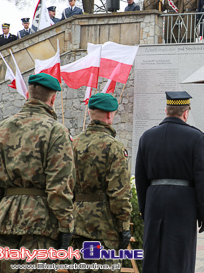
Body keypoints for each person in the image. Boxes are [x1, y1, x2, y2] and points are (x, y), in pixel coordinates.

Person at [0, 73, 75, 272]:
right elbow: (59, 185)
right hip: (42, 220)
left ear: (28, 94)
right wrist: (66, 225)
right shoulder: (56, 131)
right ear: (53, 99)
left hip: (6, 216)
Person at [136, 91, 204, 273]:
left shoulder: (147, 136)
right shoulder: (195, 137)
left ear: (166, 110)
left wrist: (144, 210)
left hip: (154, 200)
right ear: (186, 113)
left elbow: (140, 178)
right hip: (182, 203)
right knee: (180, 255)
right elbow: (202, 178)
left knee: (153, 253)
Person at [71, 93, 132, 273]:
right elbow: (119, 193)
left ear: (90, 113)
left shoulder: (73, 144)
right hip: (105, 227)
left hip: (78, 223)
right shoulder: (114, 147)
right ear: (110, 115)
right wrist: (124, 227)